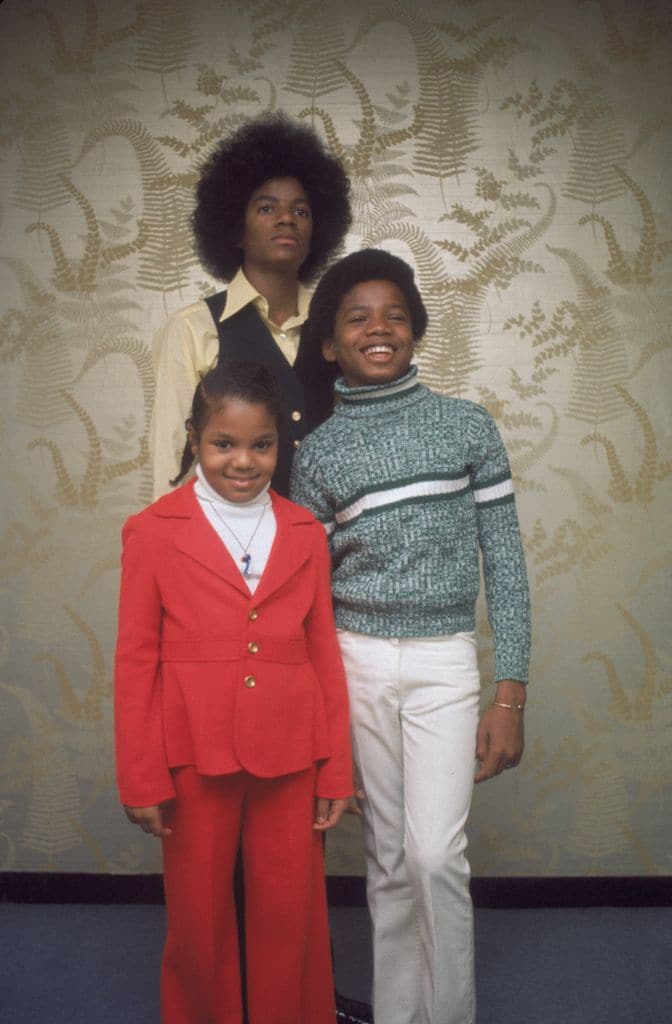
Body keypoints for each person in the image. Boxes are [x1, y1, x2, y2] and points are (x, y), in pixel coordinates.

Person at [290, 249, 532, 1024]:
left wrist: (511, 693)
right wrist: (325, 725)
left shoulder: (465, 425)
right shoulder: (318, 454)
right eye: (356, 318)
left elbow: (507, 563)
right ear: (329, 344)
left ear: (416, 330)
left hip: (443, 662)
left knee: (434, 857)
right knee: (389, 863)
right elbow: (310, 599)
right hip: (354, 663)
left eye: (394, 314)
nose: (378, 329)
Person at [115, 361, 354, 1024]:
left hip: (290, 752)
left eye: (261, 445)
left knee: (290, 916)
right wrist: (141, 776)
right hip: (191, 754)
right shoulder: (153, 531)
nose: (243, 461)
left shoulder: (304, 532)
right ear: (194, 438)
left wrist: (334, 767)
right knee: (198, 922)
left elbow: (322, 656)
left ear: (281, 445)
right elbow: (134, 661)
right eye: (224, 443)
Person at [149, 110, 352, 501]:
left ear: (317, 231)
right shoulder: (193, 329)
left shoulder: (337, 326)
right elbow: (171, 463)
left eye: (301, 211)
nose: (286, 220)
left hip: (329, 545)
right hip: (231, 548)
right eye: (266, 208)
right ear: (234, 228)